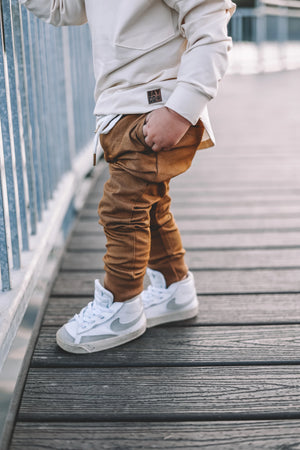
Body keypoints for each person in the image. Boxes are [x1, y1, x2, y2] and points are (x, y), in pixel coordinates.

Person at [21, 0, 236, 353]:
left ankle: (121, 305)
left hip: (157, 106)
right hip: (120, 109)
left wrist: (181, 111)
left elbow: (210, 28)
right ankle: (174, 287)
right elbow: (66, 9)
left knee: (122, 210)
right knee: (149, 208)